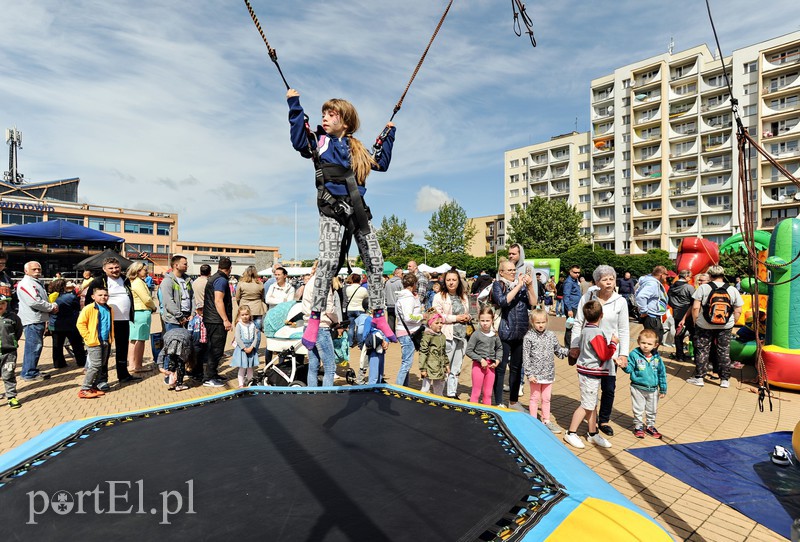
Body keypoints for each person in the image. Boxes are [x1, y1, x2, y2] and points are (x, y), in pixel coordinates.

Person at [287, 89, 397, 351]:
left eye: (331, 114)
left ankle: (379, 315)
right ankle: (314, 319)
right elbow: (298, 141)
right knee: (326, 262)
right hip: (332, 209)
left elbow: (381, 162)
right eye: (324, 113)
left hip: (357, 210)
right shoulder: (319, 142)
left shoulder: (356, 149)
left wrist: (389, 134)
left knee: (375, 260)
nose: (325, 117)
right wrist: (294, 105)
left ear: (345, 122)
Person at [569, 265, 630, 437]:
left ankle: (603, 420)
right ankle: (591, 424)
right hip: (590, 351)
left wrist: (623, 353)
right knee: (591, 389)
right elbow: (578, 322)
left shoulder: (620, 301)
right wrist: (574, 346)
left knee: (609, 388)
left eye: (611, 278)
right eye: (605, 279)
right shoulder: (588, 297)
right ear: (597, 282)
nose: (609, 282)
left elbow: (624, 329)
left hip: (610, 352)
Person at [563, 300, 619, 450]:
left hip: (588, 371)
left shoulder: (586, 329)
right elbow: (604, 354)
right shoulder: (596, 333)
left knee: (592, 403)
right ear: (602, 315)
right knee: (586, 405)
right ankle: (571, 432)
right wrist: (613, 343)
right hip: (590, 373)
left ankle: (592, 433)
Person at [85, 257, 139, 389]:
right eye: (111, 268)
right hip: (105, 322)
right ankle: (102, 380)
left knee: (122, 349)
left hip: (124, 320)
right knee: (104, 350)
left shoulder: (125, 280)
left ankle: (123, 375)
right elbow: (88, 301)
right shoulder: (98, 281)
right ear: (104, 269)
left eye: (117, 267)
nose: (115, 270)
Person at [686, 265, 744, 388]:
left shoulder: (703, 288)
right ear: (723, 275)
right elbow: (738, 309)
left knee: (702, 350)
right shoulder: (732, 289)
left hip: (704, 325)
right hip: (725, 325)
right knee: (724, 351)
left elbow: (696, 307)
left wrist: (696, 321)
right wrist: (732, 322)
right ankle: (724, 380)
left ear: (710, 276)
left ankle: (700, 377)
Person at [492, 259, 537, 409]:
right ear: (501, 272)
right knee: (501, 367)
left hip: (521, 332)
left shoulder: (523, 287)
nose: (513, 272)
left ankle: (513, 401)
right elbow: (503, 301)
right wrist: (518, 285)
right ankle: (498, 401)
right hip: (504, 331)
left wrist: (529, 286)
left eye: (514, 270)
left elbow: (533, 302)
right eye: (509, 270)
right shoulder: (498, 285)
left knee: (517, 368)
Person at [523, 308, 569, 433]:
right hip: (535, 375)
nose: (541, 325)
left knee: (546, 398)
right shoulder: (528, 337)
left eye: (543, 322)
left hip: (548, 374)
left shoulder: (551, 335)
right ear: (532, 322)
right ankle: (533, 420)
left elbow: (558, 351)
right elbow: (526, 357)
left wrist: (570, 352)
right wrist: (529, 373)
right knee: (534, 398)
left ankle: (546, 420)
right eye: (538, 322)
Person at [433, 268, 471, 399]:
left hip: (462, 335)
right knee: (444, 366)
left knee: (456, 367)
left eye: (454, 280)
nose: (451, 282)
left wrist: (467, 317)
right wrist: (456, 318)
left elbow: (467, 312)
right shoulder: (439, 296)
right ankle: (438, 394)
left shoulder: (464, 296)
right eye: (448, 280)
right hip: (447, 335)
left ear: (458, 281)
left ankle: (451, 393)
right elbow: (437, 317)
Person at [623, 328, 667, 439]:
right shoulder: (634, 354)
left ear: (655, 345)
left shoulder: (657, 358)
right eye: (643, 343)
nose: (646, 346)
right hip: (637, 387)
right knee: (638, 408)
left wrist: (663, 388)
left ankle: (650, 426)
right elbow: (629, 369)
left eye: (649, 344)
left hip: (653, 389)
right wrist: (623, 365)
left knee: (652, 409)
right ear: (638, 342)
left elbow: (662, 373)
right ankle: (638, 426)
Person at [17, 261, 58, 381]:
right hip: (32, 320)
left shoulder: (34, 283)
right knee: (34, 347)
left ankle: (30, 370)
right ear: (26, 271)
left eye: (39, 269)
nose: (37, 271)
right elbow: (34, 301)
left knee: (35, 346)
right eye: (34, 269)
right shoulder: (26, 283)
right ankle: (29, 372)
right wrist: (51, 307)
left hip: (36, 318)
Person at [302, 266, 342, 388]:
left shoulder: (310, 282)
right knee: (330, 366)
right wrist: (337, 322)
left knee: (313, 365)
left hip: (308, 325)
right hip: (321, 326)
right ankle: (327, 395)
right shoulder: (323, 282)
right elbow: (329, 309)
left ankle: (312, 393)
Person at [76, 286, 113, 399]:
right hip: (94, 341)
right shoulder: (89, 308)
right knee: (95, 365)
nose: (103, 297)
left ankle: (94, 386)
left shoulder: (109, 308)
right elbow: (80, 324)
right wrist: (88, 337)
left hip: (105, 340)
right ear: (93, 297)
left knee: (101, 365)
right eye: (100, 295)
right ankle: (85, 388)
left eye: (105, 295)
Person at [202, 257, 233, 387]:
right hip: (216, 320)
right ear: (230, 268)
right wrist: (225, 319)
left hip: (212, 318)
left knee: (213, 348)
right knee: (216, 349)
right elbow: (218, 300)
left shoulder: (214, 277)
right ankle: (209, 377)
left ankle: (213, 373)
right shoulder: (221, 280)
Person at [465, 306, 502, 405]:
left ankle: (487, 412)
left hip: (491, 367)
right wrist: (480, 359)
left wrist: (498, 360)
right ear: (479, 320)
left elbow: (499, 348)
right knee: (476, 392)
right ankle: (473, 411)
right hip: (478, 366)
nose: (485, 323)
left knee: (488, 393)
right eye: (482, 320)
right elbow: (468, 350)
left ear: (492, 320)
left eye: (487, 320)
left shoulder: (495, 335)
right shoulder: (476, 334)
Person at [49, 280, 86, 369]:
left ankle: (58, 363)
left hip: (55, 324)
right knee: (77, 344)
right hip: (71, 323)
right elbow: (77, 308)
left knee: (57, 345)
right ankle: (81, 361)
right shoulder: (70, 297)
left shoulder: (50, 297)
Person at [127, 262, 157, 373]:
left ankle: (132, 365)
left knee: (133, 340)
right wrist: (153, 307)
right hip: (142, 311)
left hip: (135, 312)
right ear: (138, 270)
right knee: (140, 340)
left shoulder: (133, 282)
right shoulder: (139, 283)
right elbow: (147, 299)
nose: (147, 271)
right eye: (145, 269)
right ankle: (138, 365)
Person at [395, 272, 423, 387]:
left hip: (403, 331)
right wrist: (422, 316)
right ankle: (398, 387)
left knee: (406, 362)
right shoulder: (408, 298)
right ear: (414, 284)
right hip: (408, 332)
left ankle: (404, 387)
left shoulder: (403, 297)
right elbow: (408, 317)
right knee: (406, 363)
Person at [635, 265, 669, 345]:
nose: (666, 277)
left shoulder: (652, 282)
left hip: (653, 316)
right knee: (653, 341)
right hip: (651, 317)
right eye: (666, 275)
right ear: (661, 274)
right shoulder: (652, 284)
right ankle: (649, 357)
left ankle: (651, 356)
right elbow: (641, 296)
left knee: (656, 339)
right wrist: (644, 311)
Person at [0, 295, 23, 408]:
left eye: (3, 303)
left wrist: (11, 342)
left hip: (9, 352)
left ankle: (11, 397)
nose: (1, 306)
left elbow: (18, 331)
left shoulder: (12, 317)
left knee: (8, 374)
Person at [160, 255, 194, 331]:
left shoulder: (188, 280)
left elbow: (193, 298)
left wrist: (192, 314)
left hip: (188, 317)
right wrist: (180, 316)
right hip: (174, 320)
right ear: (176, 265)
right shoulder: (167, 281)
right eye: (185, 264)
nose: (187, 266)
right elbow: (168, 301)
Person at [667, 269, 695, 362]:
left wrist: (675, 306)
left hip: (676, 312)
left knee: (678, 334)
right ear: (686, 277)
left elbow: (669, 300)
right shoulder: (689, 287)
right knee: (694, 333)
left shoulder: (672, 287)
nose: (690, 278)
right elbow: (695, 301)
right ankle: (695, 354)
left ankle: (679, 355)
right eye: (690, 277)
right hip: (688, 311)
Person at [230, 305, 261, 388]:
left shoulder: (253, 324)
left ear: (249, 314)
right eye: (242, 315)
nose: (245, 317)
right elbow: (238, 338)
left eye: (246, 314)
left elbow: (255, 337)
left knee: (250, 367)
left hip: (251, 347)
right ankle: (241, 383)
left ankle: (250, 382)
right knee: (243, 367)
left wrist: (252, 347)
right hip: (242, 348)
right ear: (239, 315)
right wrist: (244, 348)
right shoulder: (239, 325)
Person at [418, 313, 449, 396]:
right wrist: (423, 369)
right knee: (425, 389)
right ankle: (421, 402)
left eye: (441, 323)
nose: (439, 325)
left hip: (439, 367)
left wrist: (446, 364)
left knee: (438, 388)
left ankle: (439, 400)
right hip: (429, 367)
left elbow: (443, 351)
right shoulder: (427, 336)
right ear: (430, 324)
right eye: (437, 323)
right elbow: (423, 352)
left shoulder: (442, 336)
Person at [235, 265, 266, 331]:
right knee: (256, 331)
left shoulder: (241, 283)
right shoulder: (260, 284)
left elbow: (237, 297)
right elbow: (262, 297)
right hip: (257, 309)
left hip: (244, 307)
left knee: (244, 330)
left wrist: (240, 305)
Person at [344, 273, 369, 347]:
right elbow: (366, 298)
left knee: (351, 327)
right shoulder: (363, 289)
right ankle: (360, 343)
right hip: (360, 308)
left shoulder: (348, 288)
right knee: (360, 327)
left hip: (350, 309)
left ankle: (350, 343)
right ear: (359, 280)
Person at [562, 265, 582, 348]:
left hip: (576, 306)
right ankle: (568, 347)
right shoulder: (569, 282)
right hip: (572, 307)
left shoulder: (575, 280)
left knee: (575, 326)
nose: (577, 274)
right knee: (570, 327)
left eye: (578, 272)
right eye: (575, 272)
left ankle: (572, 345)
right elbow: (566, 296)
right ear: (570, 272)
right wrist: (569, 309)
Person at [383, 267, 404, 331]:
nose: (402, 275)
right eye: (402, 273)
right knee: (401, 321)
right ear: (398, 273)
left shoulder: (388, 282)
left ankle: (391, 336)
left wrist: (386, 302)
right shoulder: (400, 282)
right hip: (398, 305)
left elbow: (385, 293)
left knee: (390, 321)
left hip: (389, 304)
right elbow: (403, 293)